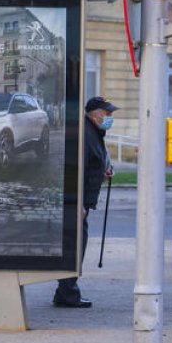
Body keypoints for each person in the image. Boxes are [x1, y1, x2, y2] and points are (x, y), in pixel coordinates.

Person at [54, 96, 117, 308]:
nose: (110, 117)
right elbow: (76, 169)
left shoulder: (95, 132)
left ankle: (65, 291)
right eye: (106, 113)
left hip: (82, 202)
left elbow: (91, 163)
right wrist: (77, 202)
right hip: (77, 203)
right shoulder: (86, 134)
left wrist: (103, 172)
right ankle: (68, 293)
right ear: (93, 113)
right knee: (75, 246)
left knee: (77, 244)